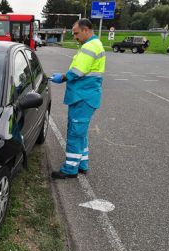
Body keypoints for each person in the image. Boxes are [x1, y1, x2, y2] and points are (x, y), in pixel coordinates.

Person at [50, 18, 106, 179]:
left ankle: (70, 169)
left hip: (83, 97)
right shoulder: (94, 45)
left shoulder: (89, 46)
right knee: (80, 133)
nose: (75, 37)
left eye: (76, 33)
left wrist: (62, 77)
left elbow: (77, 71)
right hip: (87, 96)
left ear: (86, 30)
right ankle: (82, 164)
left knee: (75, 133)